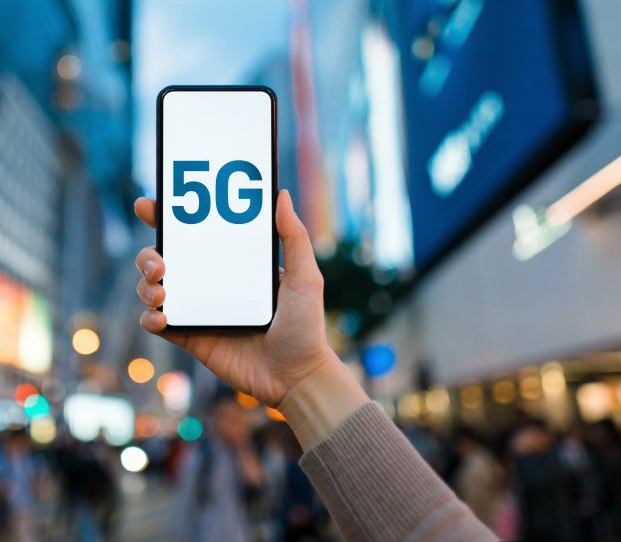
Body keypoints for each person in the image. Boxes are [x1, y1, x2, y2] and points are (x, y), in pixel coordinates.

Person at [133, 190, 493, 541]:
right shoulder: (204, 459)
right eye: (229, 417)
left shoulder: (252, 451)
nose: (236, 423)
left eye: (237, 416)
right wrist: (305, 379)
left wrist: (304, 376)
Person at [173, 388, 265, 541]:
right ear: (216, 418)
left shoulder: (244, 452)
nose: (235, 425)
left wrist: (243, 446)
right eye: (230, 419)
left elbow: (257, 484)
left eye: (239, 419)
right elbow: (186, 505)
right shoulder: (202, 455)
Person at [450, 425, 503, 530]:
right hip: (494, 514)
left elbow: (475, 498)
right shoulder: (486, 455)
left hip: (484, 518)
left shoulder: (472, 466)